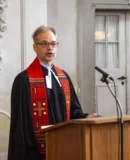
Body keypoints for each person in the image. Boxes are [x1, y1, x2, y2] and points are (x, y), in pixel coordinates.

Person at [7, 25, 97, 160]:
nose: (50, 48)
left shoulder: (63, 77)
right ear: (35, 47)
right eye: (44, 43)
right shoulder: (24, 80)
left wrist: (85, 117)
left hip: (62, 146)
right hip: (35, 152)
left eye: (53, 44)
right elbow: (20, 125)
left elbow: (73, 111)